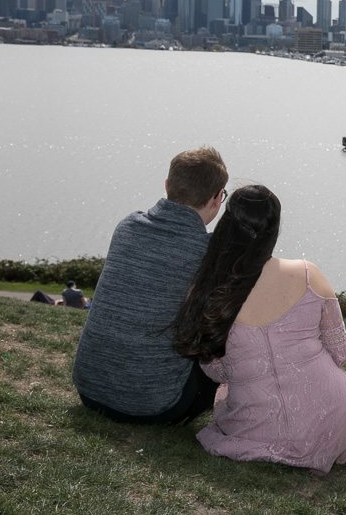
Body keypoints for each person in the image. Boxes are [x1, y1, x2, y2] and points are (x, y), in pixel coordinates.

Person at [171, 184, 346, 475]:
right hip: (336, 418)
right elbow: (340, 353)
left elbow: (217, 372)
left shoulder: (203, 292)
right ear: (273, 230)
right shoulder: (308, 274)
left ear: (228, 225)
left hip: (256, 428)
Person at [72, 147, 229, 425]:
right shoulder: (209, 249)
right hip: (155, 405)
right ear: (217, 198)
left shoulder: (128, 226)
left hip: (90, 390)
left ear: (168, 185)